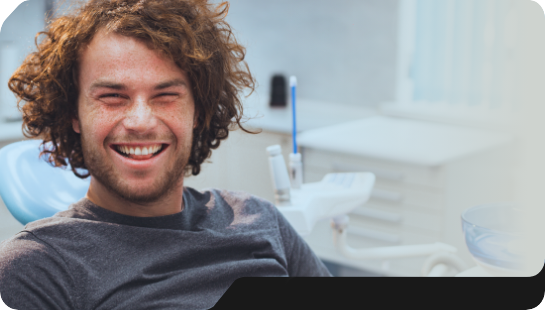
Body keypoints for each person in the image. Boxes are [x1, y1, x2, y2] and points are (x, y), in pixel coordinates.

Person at [0, 0, 331, 309]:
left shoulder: (260, 220)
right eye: (113, 96)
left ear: (198, 110)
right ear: (74, 113)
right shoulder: (38, 267)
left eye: (166, 95)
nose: (140, 123)